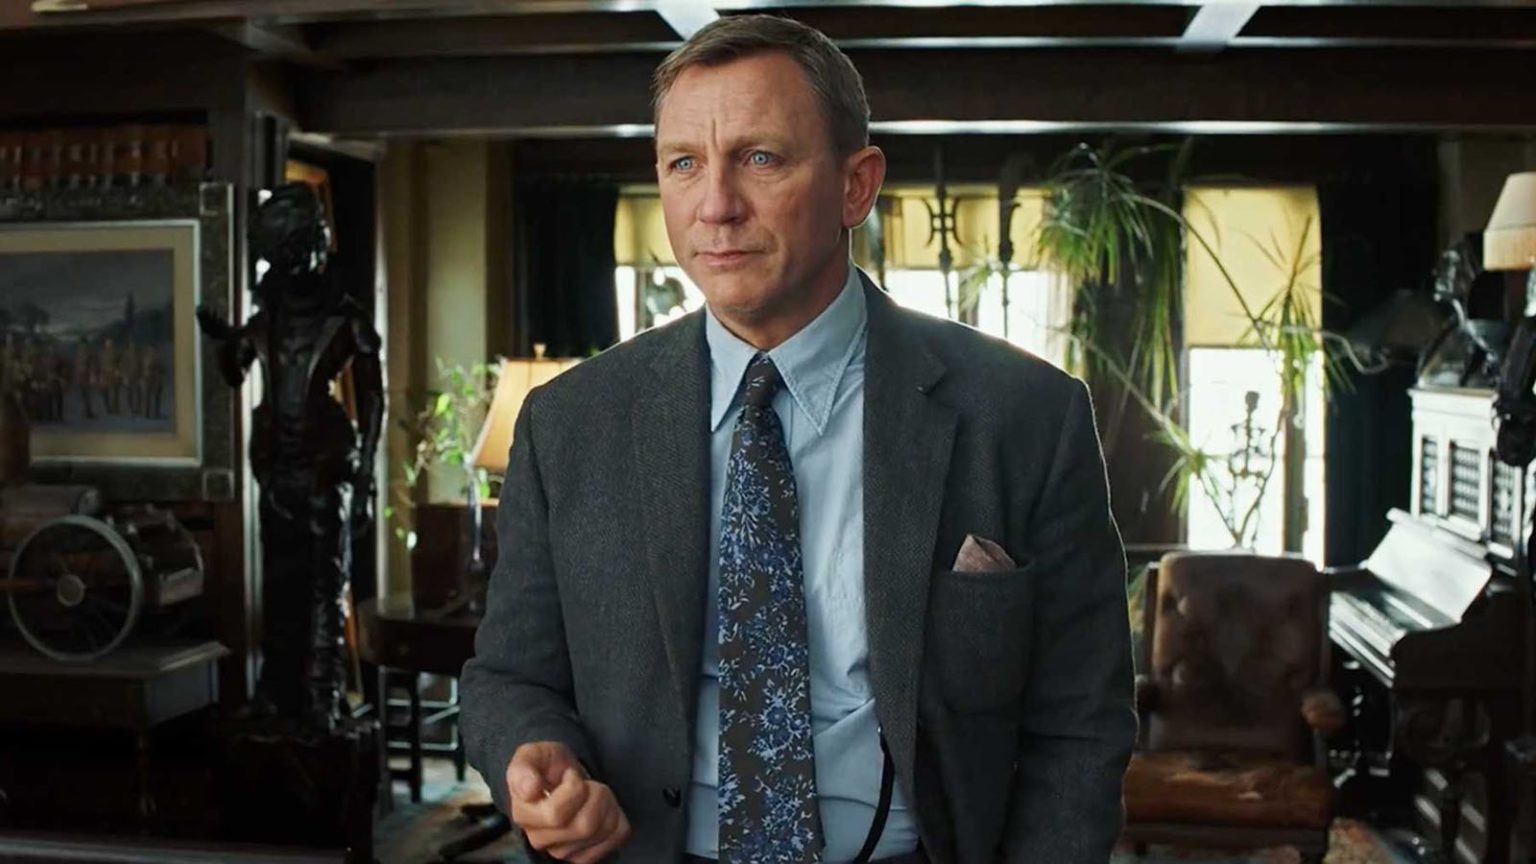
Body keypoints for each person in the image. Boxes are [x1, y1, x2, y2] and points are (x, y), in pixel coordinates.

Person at [461, 14, 1134, 864]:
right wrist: (531, 753)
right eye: (683, 164)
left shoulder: (1025, 415)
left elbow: (1080, 724)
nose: (715, 206)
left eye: (760, 158)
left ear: (856, 186)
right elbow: (508, 677)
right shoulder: (569, 424)